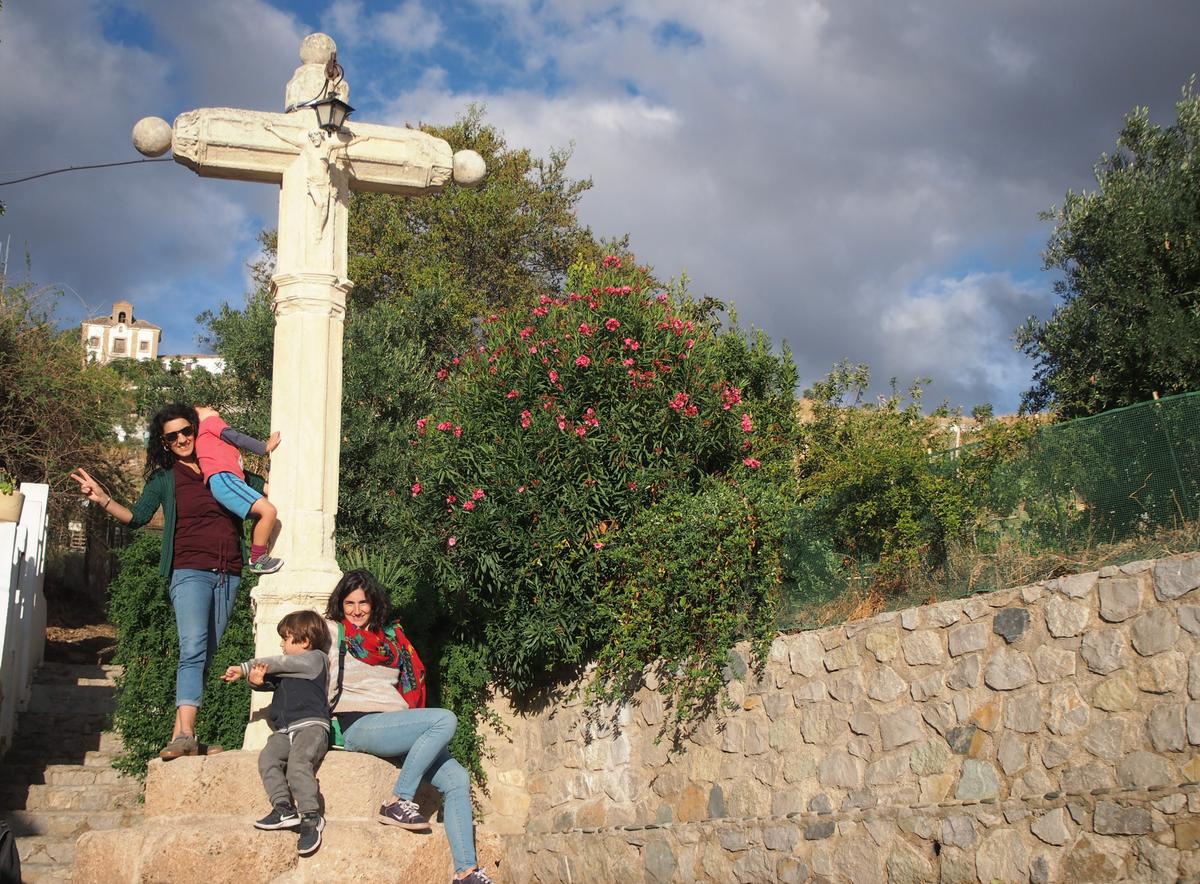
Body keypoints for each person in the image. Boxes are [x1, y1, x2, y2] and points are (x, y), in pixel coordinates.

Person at [70, 403, 262, 760]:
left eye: (186, 431)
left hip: (229, 572)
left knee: (206, 656)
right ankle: (187, 732)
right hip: (188, 571)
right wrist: (102, 499)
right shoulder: (165, 479)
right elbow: (137, 517)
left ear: (195, 430)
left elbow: (262, 489)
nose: (181, 439)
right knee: (192, 648)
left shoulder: (221, 467)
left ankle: (181, 739)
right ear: (164, 442)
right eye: (172, 436)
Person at [324, 571, 493, 884]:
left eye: (363, 602)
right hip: (358, 723)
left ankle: (466, 872)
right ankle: (398, 801)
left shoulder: (391, 637)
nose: (357, 609)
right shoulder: (332, 632)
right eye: (349, 603)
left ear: (375, 604)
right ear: (340, 604)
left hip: (397, 723)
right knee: (444, 718)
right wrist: (262, 676)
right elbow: (298, 658)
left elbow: (411, 680)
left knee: (457, 778)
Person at [222, 609, 331, 856]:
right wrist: (255, 680)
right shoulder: (291, 670)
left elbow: (281, 664)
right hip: (284, 730)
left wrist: (245, 667)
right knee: (268, 759)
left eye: (286, 638)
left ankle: (311, 817)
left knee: (298, 764)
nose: (281, 644)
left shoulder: (315, 659)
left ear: (304, 641)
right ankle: (283, 807)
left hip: (311, 726)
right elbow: (271, 681)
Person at [193, 405, 282, 575]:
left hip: (227, 480)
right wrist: (264, 447)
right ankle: (257, 559)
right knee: (269, 511)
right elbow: (236, 437)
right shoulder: (210, 423)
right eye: (202, 407)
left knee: (262, 513)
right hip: (224, 478)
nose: (209, 406)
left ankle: (259, 553)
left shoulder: (206, 438)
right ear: (197, 419)